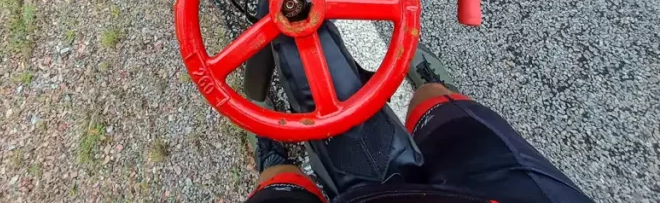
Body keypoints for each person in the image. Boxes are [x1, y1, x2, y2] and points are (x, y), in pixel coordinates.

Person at [246, 45, 595, 203]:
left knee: (279, 187)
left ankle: (275, 161)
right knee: (438, 107)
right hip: (511, 193)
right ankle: (436, 91)